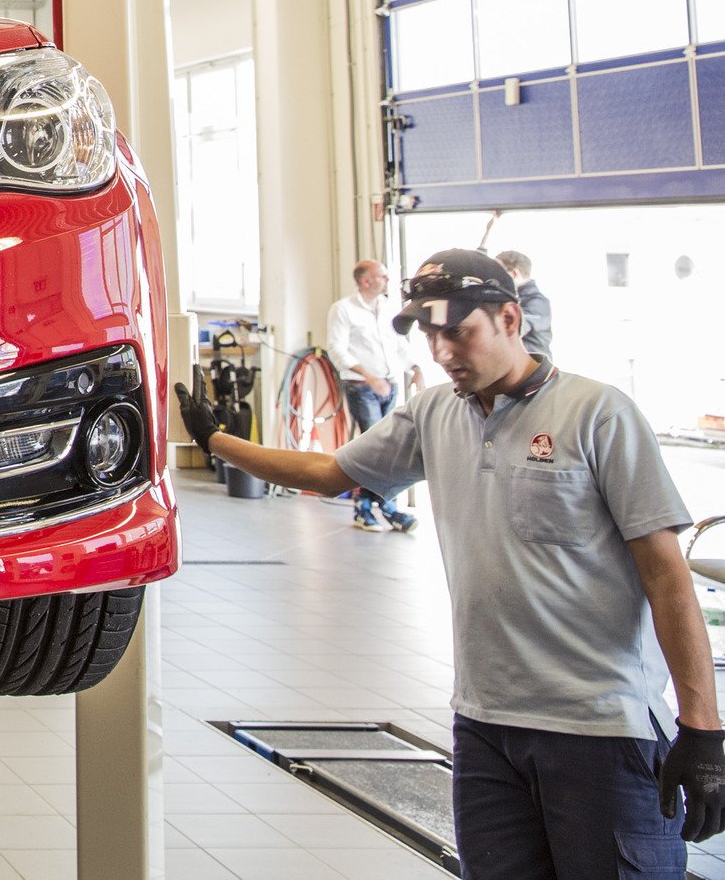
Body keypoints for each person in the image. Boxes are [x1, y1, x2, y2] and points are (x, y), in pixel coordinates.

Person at [178, 249, 725, 876]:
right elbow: (331, 474)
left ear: (511, 319)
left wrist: (702, 729)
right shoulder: (434, 414)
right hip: (486, 725)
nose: (440, 352)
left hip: (601, 728)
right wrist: (218, 442)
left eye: (458, 331)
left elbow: (667, 577)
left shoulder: (599, 414)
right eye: (431, 334)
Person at [327, 259, 418, 532]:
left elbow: (398, 344)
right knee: (378, 449)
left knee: (389, 449)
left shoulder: (389, 308)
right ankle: (387, 508)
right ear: (365, 281)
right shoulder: (343, 310)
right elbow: (337, 350)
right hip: (362, 387)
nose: (387, 281)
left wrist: (415, 368)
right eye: (382, 276)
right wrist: (369, 376)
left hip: (389, 385)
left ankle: (366, 505)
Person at [498, 249, 553, 361]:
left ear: (514, 274)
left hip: (535, 373)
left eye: (498, 274)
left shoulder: (537, 303)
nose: (494, 279)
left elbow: (514, 329)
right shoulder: (510, 299)